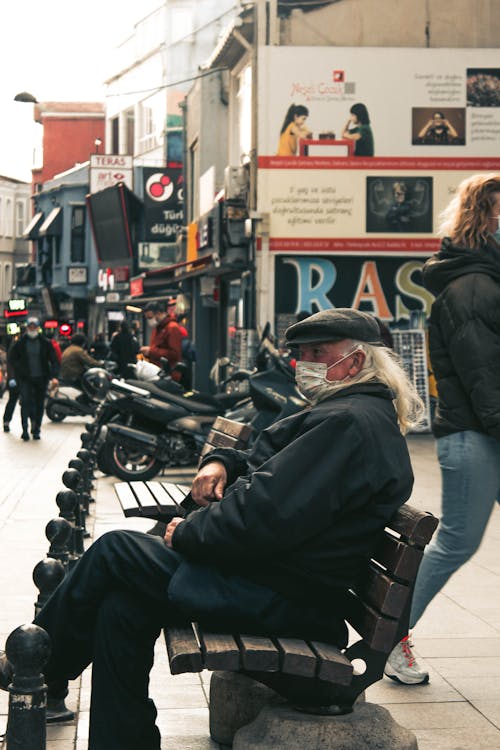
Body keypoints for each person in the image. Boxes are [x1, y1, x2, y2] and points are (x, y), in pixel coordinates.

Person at [0, 308, 425, 749]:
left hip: (284, 598)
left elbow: (262, 515)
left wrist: (185, 533)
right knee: (121, 607)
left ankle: (38, 670)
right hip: (273, 581)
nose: (305, 364)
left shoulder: (348, 423)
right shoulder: (346, 412)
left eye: (319, 353)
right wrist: (220, 461)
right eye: (302, 354)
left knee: (114, 550)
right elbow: (265, 456)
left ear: (354, 363)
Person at [385, 173, 500, 685]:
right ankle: (390, 638)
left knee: (456, 541)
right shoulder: (472, 286)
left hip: (483, 430)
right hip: (477, 435)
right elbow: (484, 376)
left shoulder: (485, 279)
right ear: (486, 219)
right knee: (456, 542)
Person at [10, 317, 59, 441]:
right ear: (27, 328)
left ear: (38, 328)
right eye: (30, 327)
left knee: (39, 404)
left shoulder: (45, 343)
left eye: (34, 327)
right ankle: (25, 429)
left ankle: (36, 429)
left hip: (41, 378)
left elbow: (54, 360)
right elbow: (12, 358)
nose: (32, 329)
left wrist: (54, 376)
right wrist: (16, 373)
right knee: (25, 402)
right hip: (25, 378)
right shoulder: (20, 343)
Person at [140, 300, 183, 377]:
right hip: (157, 372)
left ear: (159, 314)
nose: (149, 320)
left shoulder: (172, 328)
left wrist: (151, 351)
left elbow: (175, 354)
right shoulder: (157, 328)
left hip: (169, 375)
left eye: (150, 317)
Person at [2, 331, 22, 432]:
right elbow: (10, 363)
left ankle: (29, 426)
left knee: (26, 402)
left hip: (25, 378)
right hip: (16, 378)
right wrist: (12, 377)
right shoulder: (16, 343)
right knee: (13, 400)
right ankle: (6, 421)